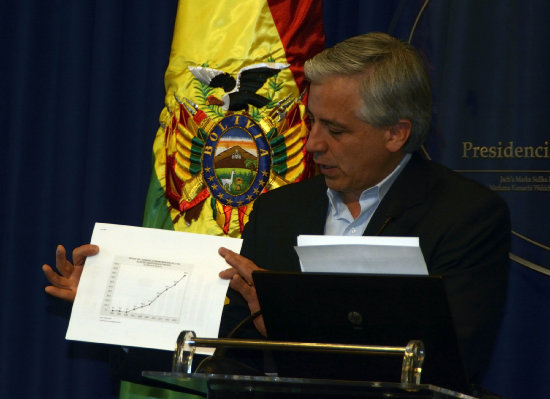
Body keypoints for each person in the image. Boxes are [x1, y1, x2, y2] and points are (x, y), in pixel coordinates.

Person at [43, 32, 510, 390]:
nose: (313, 144)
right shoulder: (279, 210)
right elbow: (224, 349)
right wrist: (110, 304)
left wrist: (290, 324)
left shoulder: (464, 215)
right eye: (310, 122)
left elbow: (451, 365)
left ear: (396, 133)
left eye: (336, 130)